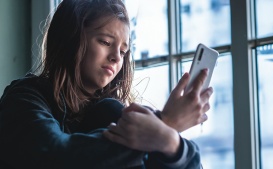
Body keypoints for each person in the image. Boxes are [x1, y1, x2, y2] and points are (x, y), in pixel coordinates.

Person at [0, 0, 213, 168]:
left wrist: (170, 140)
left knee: (111, 111)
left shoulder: (115, 113)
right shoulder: (24, 98)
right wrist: (166, 123)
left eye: (122, 51)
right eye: (105, 42)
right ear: (71, 38)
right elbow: (55, 157)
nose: (116, 58)